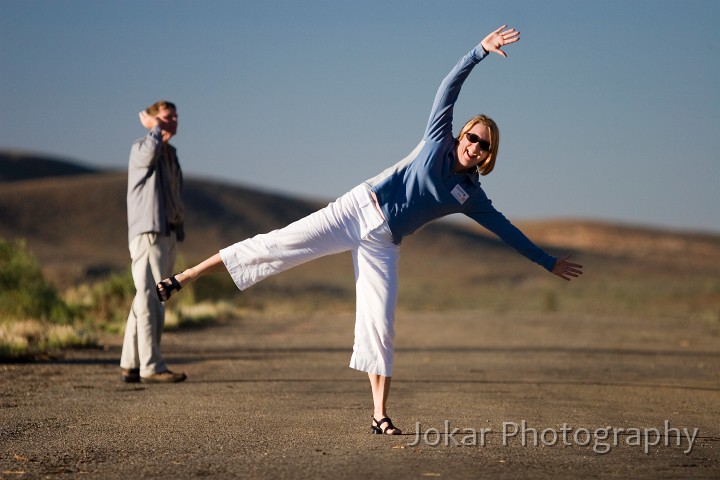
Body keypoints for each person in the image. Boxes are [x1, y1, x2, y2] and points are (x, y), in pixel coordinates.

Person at [156, 25, 583, 431]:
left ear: (489, 155)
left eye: (484, 144)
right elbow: (448, 87)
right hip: (356, 210)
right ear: (460, 135)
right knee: (274, 246)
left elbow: (506, 230)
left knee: (380, 323)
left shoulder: (471, 195)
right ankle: (184, 278)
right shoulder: (437, 140)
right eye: (472, 136)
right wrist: (479, 51)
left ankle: (379, 416)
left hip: (385, 244)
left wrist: (547, 262)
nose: (474, 145)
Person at [120, 100, 188, 384]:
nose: (172, 121)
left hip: (167, 232)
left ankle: (131, 363)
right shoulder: (143, 147)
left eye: (174, 116)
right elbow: (149, 153)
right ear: (150, 120)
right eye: (164, 117)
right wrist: (154, 128)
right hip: (149, 232)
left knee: (146, 296)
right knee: (151, 297)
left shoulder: (171, 153)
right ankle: (152, 365)